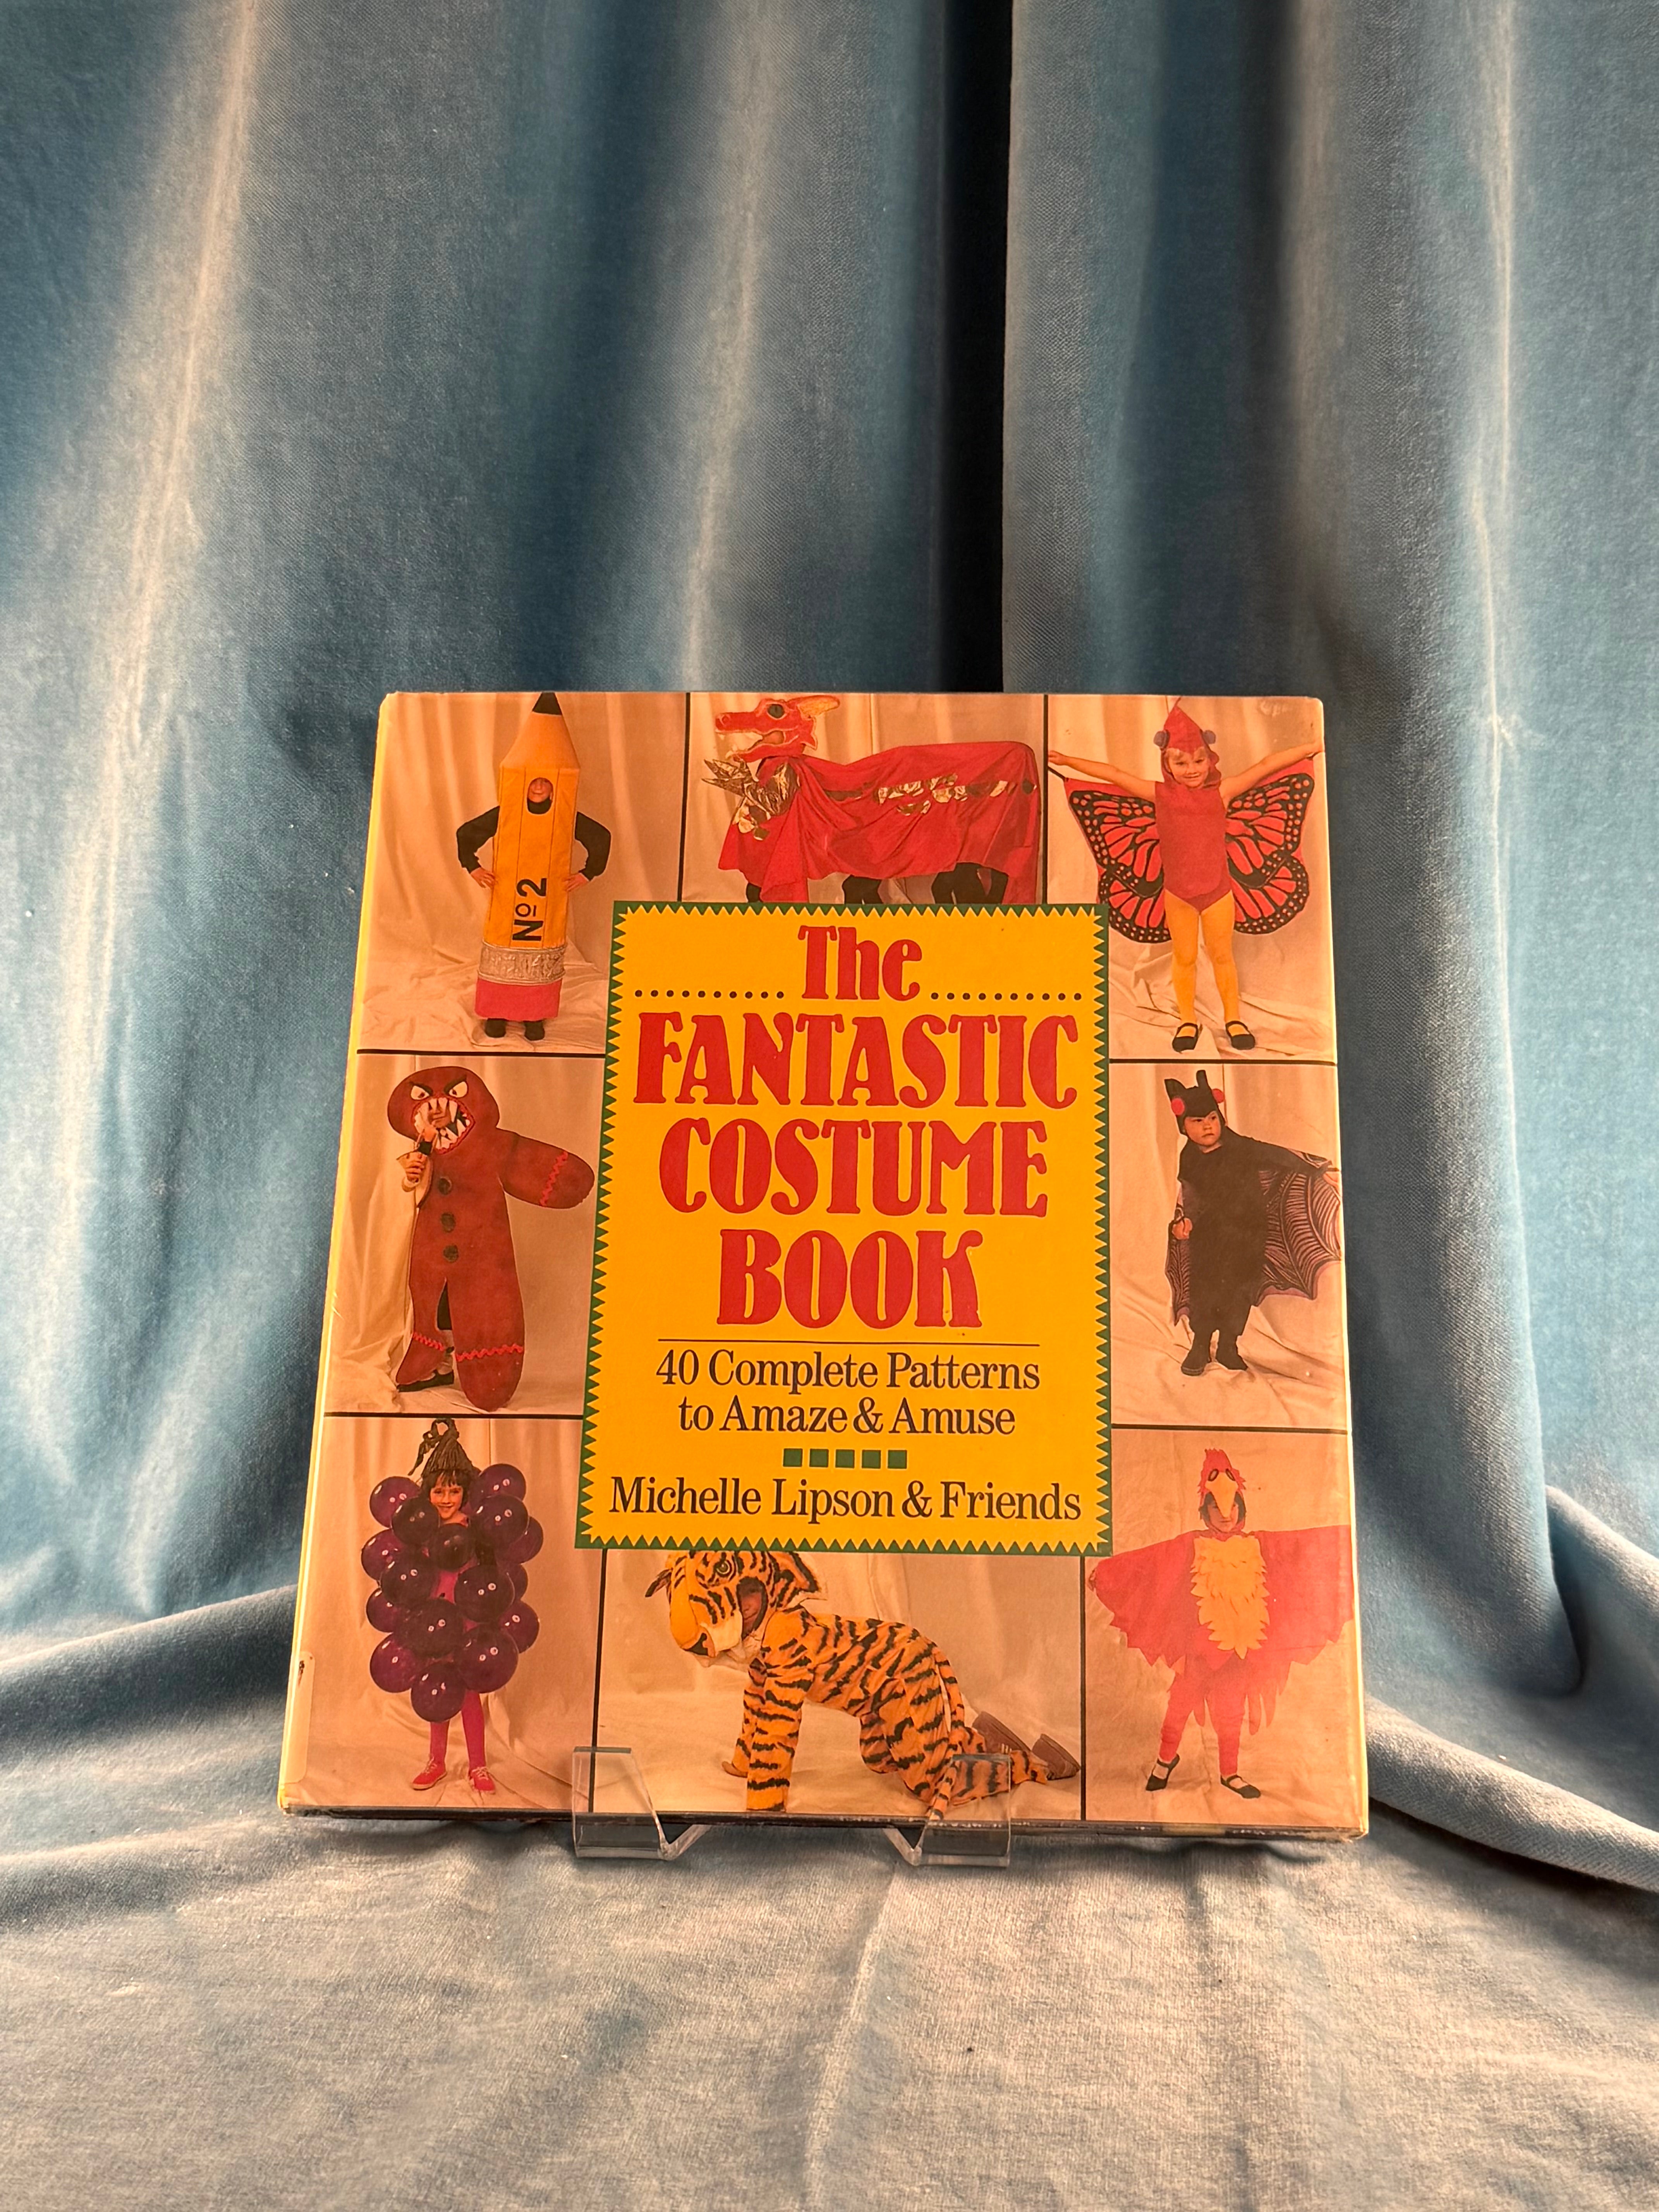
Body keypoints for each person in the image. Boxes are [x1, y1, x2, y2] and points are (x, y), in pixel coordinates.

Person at [1050, 701, 1321, 1052]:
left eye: (1198, 761)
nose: (1192, 770)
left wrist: (1314, 746)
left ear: (1210, 760)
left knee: (1223, 957)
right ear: (1167, 764)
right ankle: (1187, 1021)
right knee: (1185, 958)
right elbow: (1114, 774)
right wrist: (1068, 761)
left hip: (1219, 893)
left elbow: (1266, 766)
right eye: (1181, 763)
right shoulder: (1159, 794)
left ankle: (1233, 1019)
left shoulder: (1223, 792)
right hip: (1178, 895)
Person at [1164, 1070, 1340, 1375]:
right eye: (1198, 1121)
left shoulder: (1242, 1147)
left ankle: (1228, 1346)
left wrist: (1317, 1169)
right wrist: (1185, 1221)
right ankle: (1200, 1345)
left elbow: (1278, 1156)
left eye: (1213, 1118)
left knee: (1239, 1291)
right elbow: (1189, 1192)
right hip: (1208, 1237)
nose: (1208, 1125)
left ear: (1221, 1118)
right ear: (1184, 1127)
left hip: (1248, 1234)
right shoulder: (1189, 1157)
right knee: (1204, 1290)